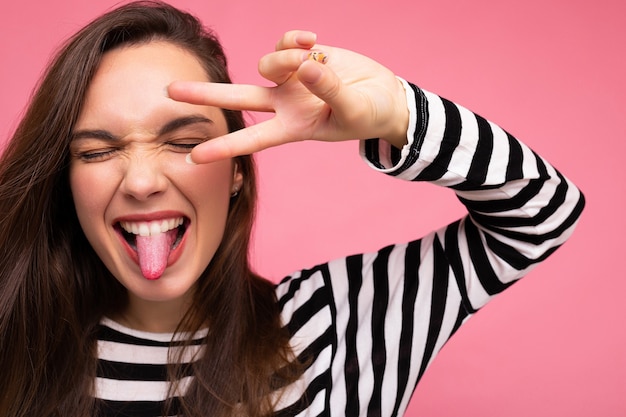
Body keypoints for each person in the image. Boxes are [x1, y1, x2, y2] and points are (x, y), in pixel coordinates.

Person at [0, 1, 584, 417]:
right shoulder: (14, 342)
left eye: (183, 142)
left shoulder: (338, 323)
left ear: (236, 170)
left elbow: (543, 212)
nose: (143, 181)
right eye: (98, 151)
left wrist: (400, 113)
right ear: (65, 179)